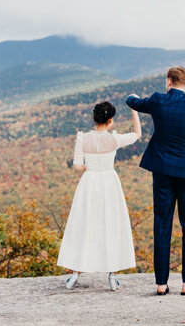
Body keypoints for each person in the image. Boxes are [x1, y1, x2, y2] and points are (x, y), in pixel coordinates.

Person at [126, 66, 185, 296]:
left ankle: (161, 284)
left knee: (161, 223)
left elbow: (133, 102)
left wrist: (133, 97)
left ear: (169, 81)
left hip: (162, 172)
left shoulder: (158, 101)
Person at [57, 100, 141, 291]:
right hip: (109, 183)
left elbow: (78, 165)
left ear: (94, 117)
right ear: (111, 120)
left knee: (84, 225)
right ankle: (112, 275)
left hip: (89, 183)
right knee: (110, 225)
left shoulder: (83, 138)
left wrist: (90, 167)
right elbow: (137, 134)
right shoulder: (114, 139)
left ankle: (75, 274)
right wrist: (134, 110)